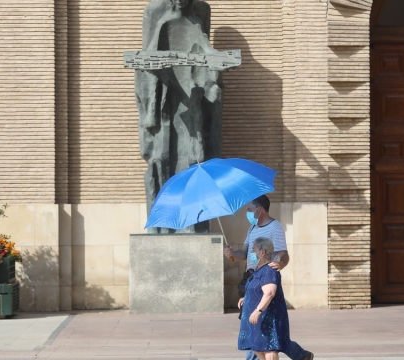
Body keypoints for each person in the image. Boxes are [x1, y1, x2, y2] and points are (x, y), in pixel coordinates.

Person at [135, 0, 224, 233]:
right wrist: (153, 108)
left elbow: (207, 51)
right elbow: (148, 60)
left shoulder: (196, 20)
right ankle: (162, 222)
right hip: (165, 100)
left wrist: (215, 72)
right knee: (161, 159)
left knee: (194, 157)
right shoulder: (161, 18)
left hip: (191, 102)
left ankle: (191, 223)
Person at [223, 194, 312, 360]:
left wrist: (280, 264)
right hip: (250, 278)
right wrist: (231, 254)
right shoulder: (252, 228)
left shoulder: (275, 227)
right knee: (260, 328)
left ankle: (297, 355)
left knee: (259, 327)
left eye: (249, 209)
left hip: (264, 277)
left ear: (260, 209)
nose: (248, 213)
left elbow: (283, 254)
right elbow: (243, 253)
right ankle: (300, 355)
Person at [237, 237, 314, 360]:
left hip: (267, 317)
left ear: (262, 252)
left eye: (253, 249)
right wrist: (246, 298)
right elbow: (256, 289)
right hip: (256, 319)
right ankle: (302, 356)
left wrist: (258, 310)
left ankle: (303, 356)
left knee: (269, 348)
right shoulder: (258, 270)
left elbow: (269, 293)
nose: (251, 252)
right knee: (257, 346)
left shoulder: (269, 270)